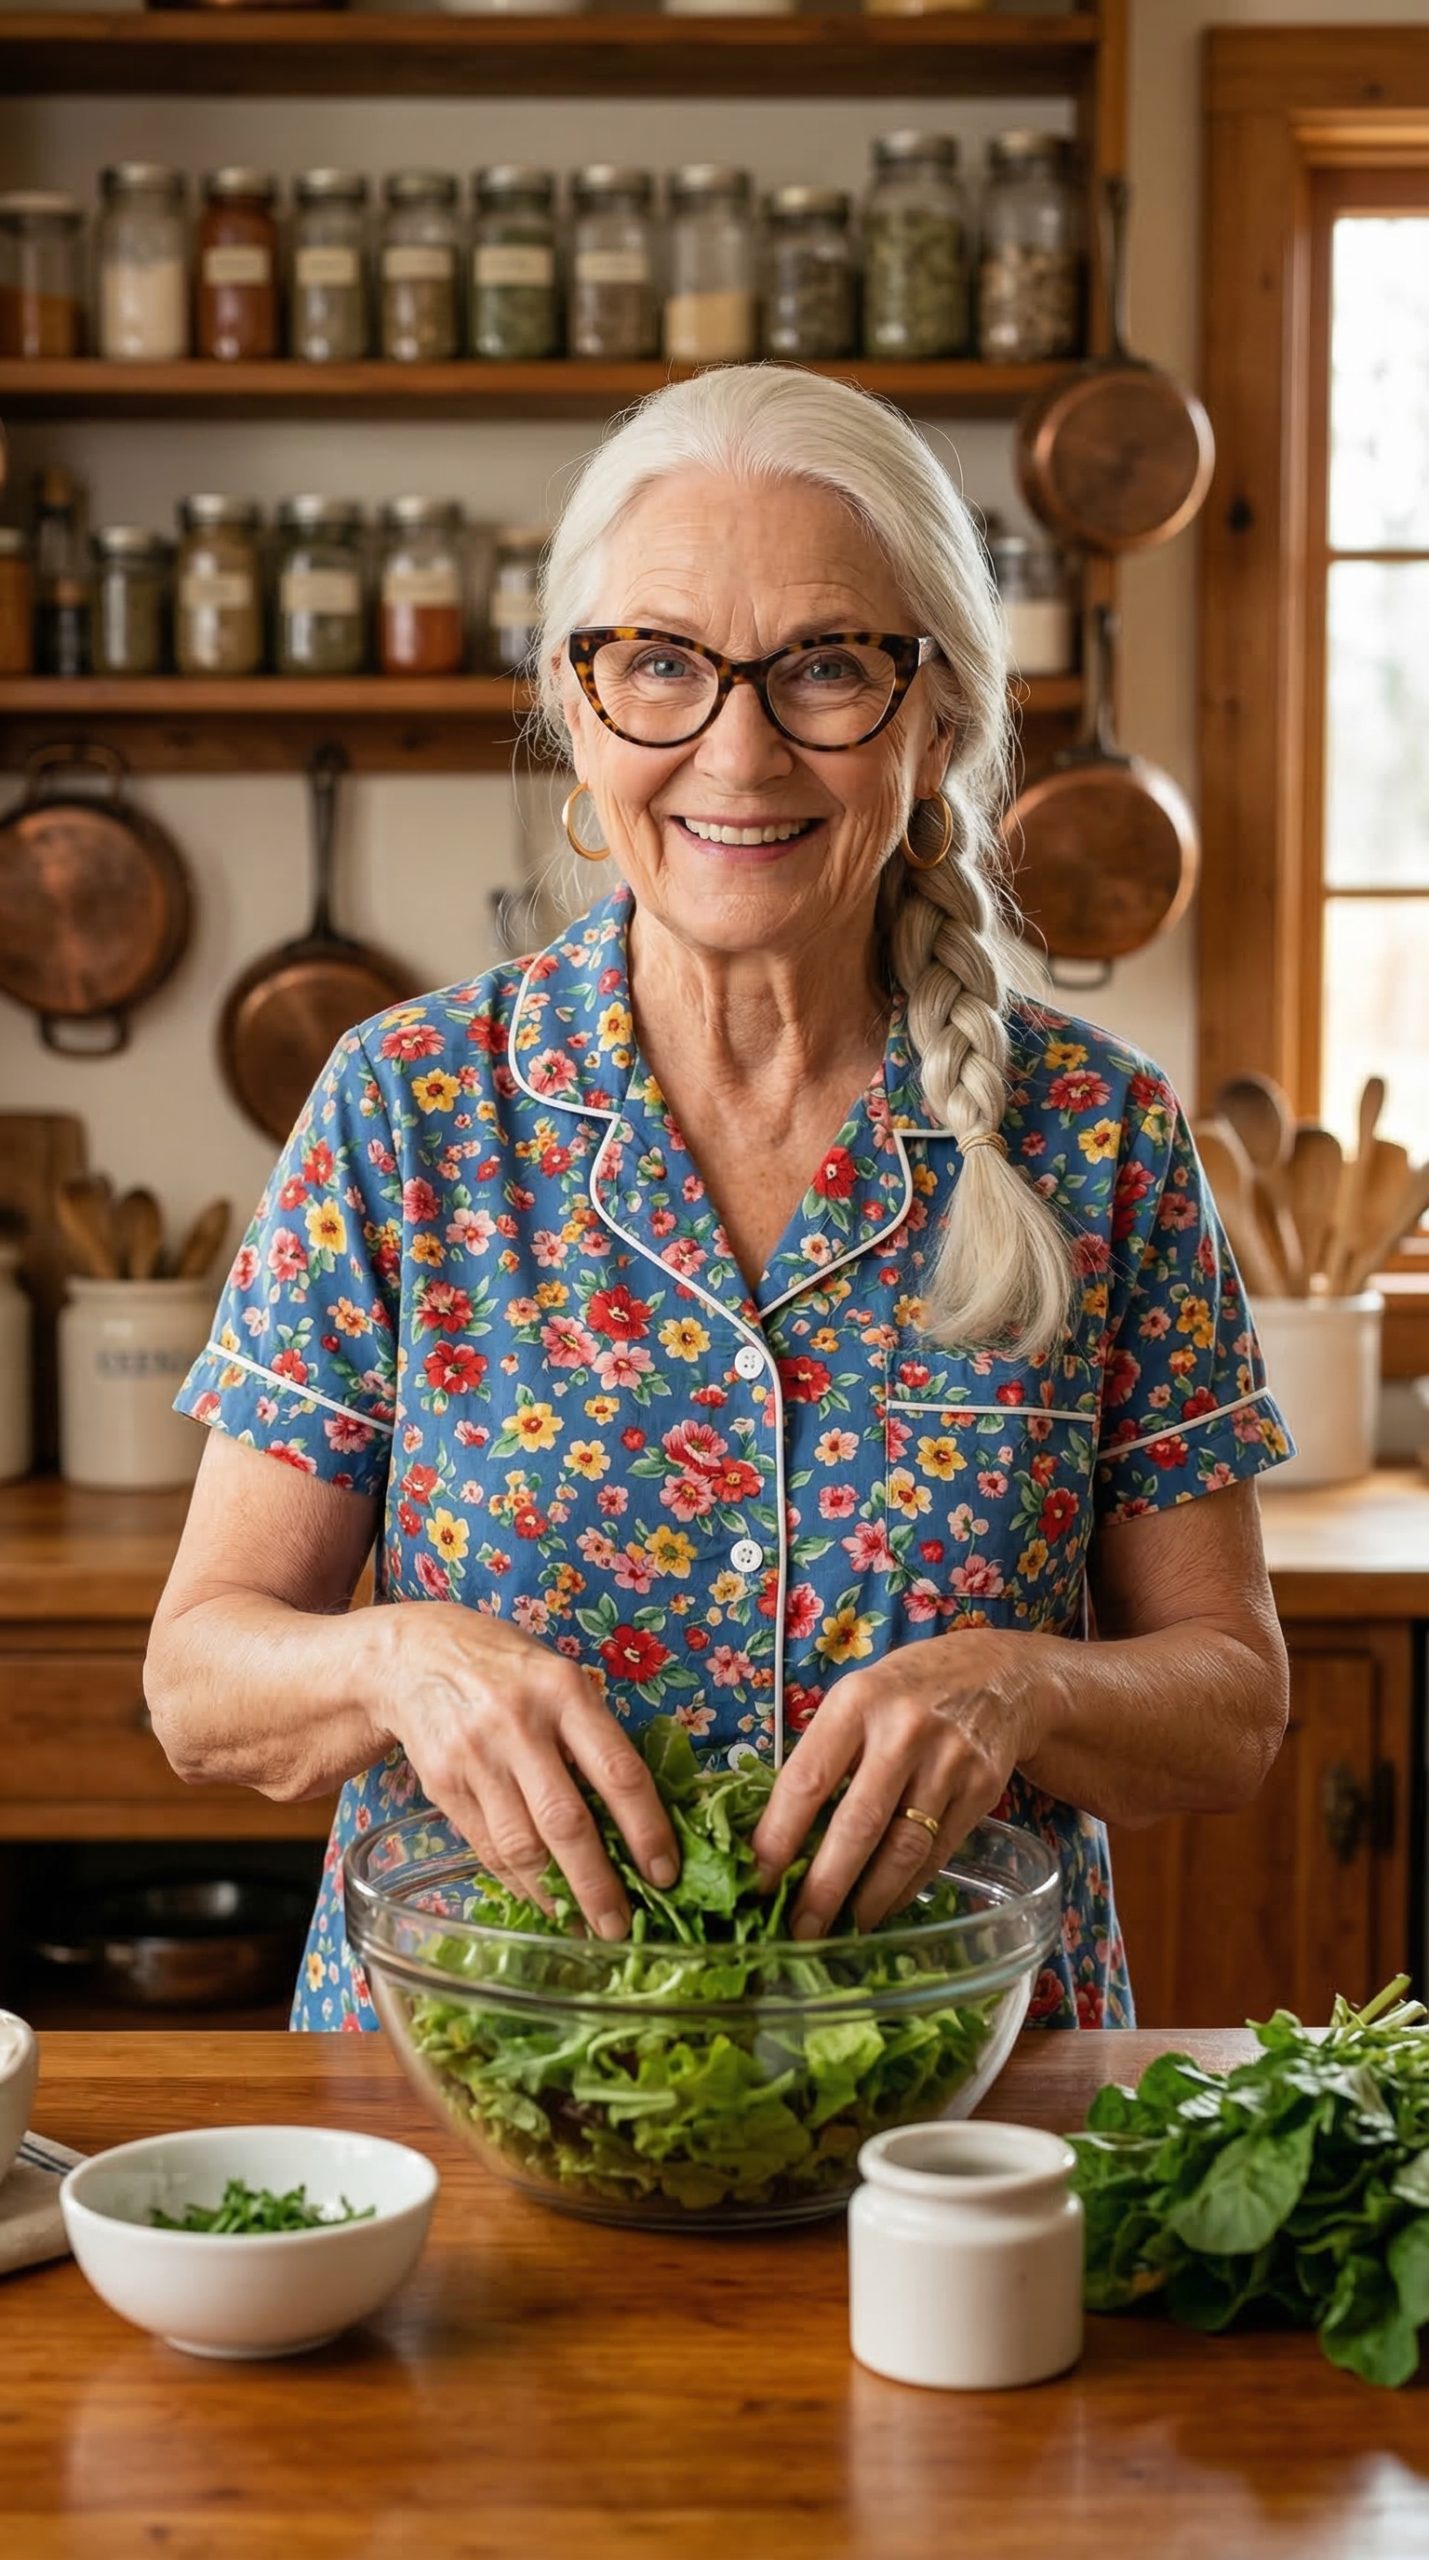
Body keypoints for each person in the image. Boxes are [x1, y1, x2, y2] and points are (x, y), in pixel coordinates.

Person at [146, 364, 1293, 2032]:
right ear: (576, 702)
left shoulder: (1093, 1135)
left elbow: (1234, 1703)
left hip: (951, 2118)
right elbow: (199, 1682)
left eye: (826, 666)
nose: (736, 752)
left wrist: (1016, 1687)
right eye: (663, 666)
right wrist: (401, 1660)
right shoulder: (408, 1110)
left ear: (939, 717)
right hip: (476, 2080)